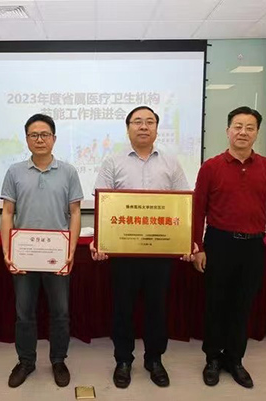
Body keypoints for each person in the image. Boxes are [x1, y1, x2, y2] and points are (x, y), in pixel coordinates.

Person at [90, 105, 190, 389]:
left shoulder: (171, 163)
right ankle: (123, 360)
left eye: (149, 122)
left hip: (160, 251)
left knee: (157, 308)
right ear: (128, 128)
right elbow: (102, 204)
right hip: (124, 252)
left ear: (157, 128)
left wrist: (186, 240)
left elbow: (184, 202)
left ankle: (154, 359)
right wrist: (101, 240)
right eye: (137, 122)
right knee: (122, 307)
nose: (143, 126)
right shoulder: (112, 161)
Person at [192, 106, 266, 389]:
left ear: (257, 132)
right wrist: (197, 247)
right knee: (215, 304)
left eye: (250, 127)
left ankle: (235, 359)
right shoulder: (211, 167)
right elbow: (197, 210)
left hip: (253, 246)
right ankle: (212, 358)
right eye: (238, 126)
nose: (243, 132)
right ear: (228, 130)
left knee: (242, 306)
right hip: (218, 243)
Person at [0, 113, 83, 388]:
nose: (39, 139)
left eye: (45, 134)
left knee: (60, 312)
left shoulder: (69, 171)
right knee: (24, 312)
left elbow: (75, 212)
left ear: (54, 138)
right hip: (23, 255)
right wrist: (7, 251)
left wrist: (71, 251)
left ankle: (58, 360)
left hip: (57, 257)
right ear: (26, 139)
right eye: (34, 135)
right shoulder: (14, 171)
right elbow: (7, 212)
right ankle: (26, 361)